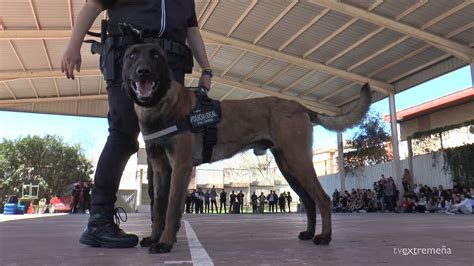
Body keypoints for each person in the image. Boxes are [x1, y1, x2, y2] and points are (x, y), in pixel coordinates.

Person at [62, 0, 211, 248]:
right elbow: (92, 6)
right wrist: (72, 46)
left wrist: (206, 68)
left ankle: (159, 224)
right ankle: (99, 220)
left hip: (169, 66)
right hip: (130, 60)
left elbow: (192, 30)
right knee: (123, 134)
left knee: (165, 143)